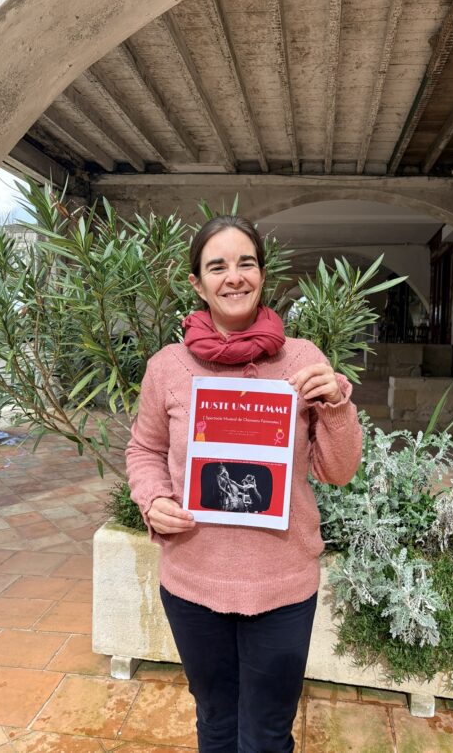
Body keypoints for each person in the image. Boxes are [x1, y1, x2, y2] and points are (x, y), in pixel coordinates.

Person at [125, 215, 362, 753]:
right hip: (193, 583)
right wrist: (154, 498)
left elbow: (339, 470)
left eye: (245, 263)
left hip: (281, 585)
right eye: (217, 266)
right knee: (214, 723)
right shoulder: (168, 367)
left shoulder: (302, 361)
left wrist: (336, 405)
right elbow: (144, 450)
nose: (233, 277)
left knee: (268, 736)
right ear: (198, 282)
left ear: (261, 274)